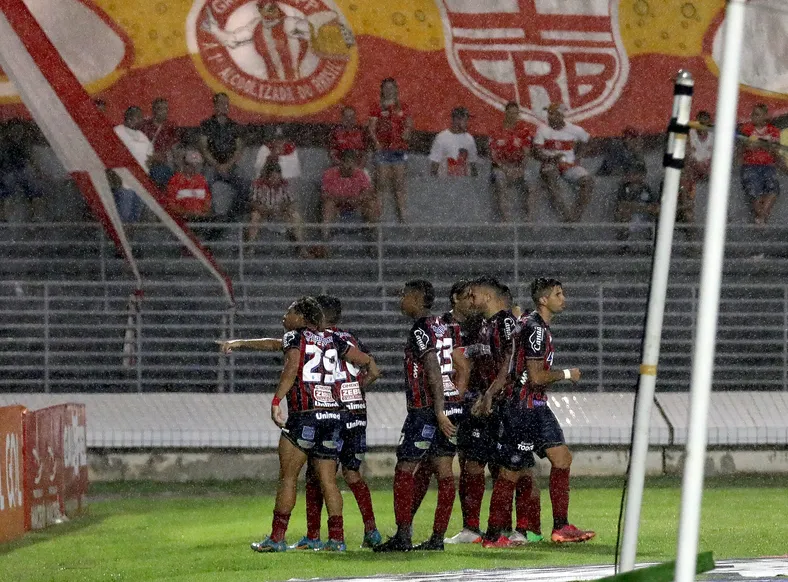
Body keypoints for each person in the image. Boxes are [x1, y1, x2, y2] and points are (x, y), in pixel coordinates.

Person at [250, 296, 379, 553]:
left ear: (302, 317)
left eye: (289, 312)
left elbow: (292, 367)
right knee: (329, 481)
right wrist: (355, 389)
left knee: (288, 477)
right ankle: (337, 540)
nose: (284, 318)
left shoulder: (295, 337)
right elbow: (367, 361)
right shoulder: (335, 339)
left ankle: (277, 538)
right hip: (333, 416)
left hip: (305, 414)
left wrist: (277, 401)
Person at [483, 278, 595, 543]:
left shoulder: (533, 325)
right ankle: (492, 535)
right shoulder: (535, 330)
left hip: (536, 406)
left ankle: (561, 527)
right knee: (511, 471)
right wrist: (568, 373)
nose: (563, 298)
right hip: (522, 407)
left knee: (562, 458)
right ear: (543, 300)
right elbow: (534, 377)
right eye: (558, 293)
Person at [374, 280, 469, 552]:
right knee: (444, 472)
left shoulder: (421, 328)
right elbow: (461, 363)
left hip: (426, 410)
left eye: (404, 295)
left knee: (404, 469)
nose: (400, 300)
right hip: (451, 406)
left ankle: (403, 536)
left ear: (416, 298)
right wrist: (453, 400)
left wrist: (438, 410)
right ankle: (437, 538)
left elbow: (432, 368)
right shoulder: (446, 326)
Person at [293, 295, 383, 550]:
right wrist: (356, 389)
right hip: (356, 412)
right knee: (352, 473)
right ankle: (371, 530)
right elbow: (373, 369)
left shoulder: (318, 339)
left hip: (331, 413)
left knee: (318, 474)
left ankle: (316, 536)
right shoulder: (351, 338)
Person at [533, 103, 593, 222]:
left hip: (568, 165)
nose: (550, 117)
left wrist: (579, 156)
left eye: (554, 114)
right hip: (550, 163)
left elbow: (589, 141)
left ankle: (576, 216)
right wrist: (550, 158)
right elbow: (537, 151)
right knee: (550, 176)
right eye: (549, 114)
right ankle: (565, 215)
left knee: (588, 182)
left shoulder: (574, 129)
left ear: (561, 116)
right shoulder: (542, 129)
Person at [368, 78, 412, 223]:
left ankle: (404, 217)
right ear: (382, 90)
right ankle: (377, 218)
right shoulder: (377, 107)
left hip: (399, 150)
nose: (389, 90)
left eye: (391, 87)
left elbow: (409, 123)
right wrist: (376, 143)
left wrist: (407, 130)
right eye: (386, 88)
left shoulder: (402, 106)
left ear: (396, 89)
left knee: (399, 185)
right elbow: (371, 128)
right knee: (381, 185)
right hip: (383, 150)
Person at [246, 160, 307, 258]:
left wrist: (285, 208)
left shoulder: (284, 184)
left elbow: (292, 202)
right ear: (267, 176)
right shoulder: (257, 184)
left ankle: (302, 248)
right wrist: (266, 210)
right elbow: (253, 203)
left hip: (280, 213)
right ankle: (250, 248)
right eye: (273, 177)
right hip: (263, 213)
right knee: (255, 216)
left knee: (295, 216)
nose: (276, 180)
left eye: (278, 177)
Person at [199, 93, 245, 220]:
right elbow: (204, 148)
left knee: (245, 183)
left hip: (230, 165)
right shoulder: (206, 124)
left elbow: (239, 148)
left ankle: (233, 215)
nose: (224, 106)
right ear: (215, 105)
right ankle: (209, 216)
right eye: (221, 103)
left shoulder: (234, 125)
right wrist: (217, 165)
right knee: (203, 184)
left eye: (226, 103)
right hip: (212, 165)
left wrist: (228, 165)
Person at [488, 102, 533, 222]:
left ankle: (528, 216)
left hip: (518, 166)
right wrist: (505, 168)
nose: (514, 116)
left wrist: (520, 169)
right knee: (500, 180)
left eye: (516, 113)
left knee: (530, 181)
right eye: (511, 113)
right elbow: (492, 154)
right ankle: (505, 218)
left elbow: (526, 153)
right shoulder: (496, 131)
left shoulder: (524, 131)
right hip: (500, 167)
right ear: (506, 113)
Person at [320, 150, 379, 240]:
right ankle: (325, 239)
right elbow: (324, 194)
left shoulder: (360, 173)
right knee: (328, 205)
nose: (349, 168)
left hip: (357, 205)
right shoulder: (329, 174)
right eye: (347, 164)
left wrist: (358, 199)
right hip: (337, 206)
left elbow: (368, 191)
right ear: (341, 163)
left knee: (371, 203)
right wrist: (343, 199)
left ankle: (374, 236)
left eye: (352, 165)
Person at [738, 103, 780, 226]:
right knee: (754, 191)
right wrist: (766, 142)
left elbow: (774, 150)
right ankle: (761, 218)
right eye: (752, 114)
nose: (752, 117)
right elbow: (749, 146)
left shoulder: (774, 130)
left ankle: (761, 217)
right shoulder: (746, 129)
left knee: (774, 189)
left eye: (756, 114)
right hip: (750, 166)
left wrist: (759, 142)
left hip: (768, 166)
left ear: (765, 116)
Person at [681, 111, 714, 227]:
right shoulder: (690, 133)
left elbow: (718, 156)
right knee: (686, 173)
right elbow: (688, 153)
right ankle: (687, 203)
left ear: (710, 123)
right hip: (694, 167)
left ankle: (720, 209)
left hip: (708, 167)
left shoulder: (714, 134)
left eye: (706, 122)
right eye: (700, 122)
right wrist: (696, 164)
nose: (703, 125)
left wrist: (706, 166)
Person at [614, 161, 659, 245]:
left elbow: (653, 206)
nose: (632, 176)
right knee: (623, 213)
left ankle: (650, 245)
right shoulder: (624, 188)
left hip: (644, 217)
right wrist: (643, 208)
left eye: (637, 174)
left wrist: (636, 207)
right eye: (632, 173)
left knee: (656, 215)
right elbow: (622, 205)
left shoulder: (647, 188)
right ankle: (623, 244)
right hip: (630, 217)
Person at [141, 97, 180, 189]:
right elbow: (140, 146)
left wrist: (164, 156)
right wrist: (152, 156)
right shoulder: (145, 126)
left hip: (165, 161)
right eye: (161, 108)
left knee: (161, 172)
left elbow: (175, 147)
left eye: (166, 108)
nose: (164, 111)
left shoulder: (171, 126)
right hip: (147, 160)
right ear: (154, 110)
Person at [429, 107, 479, 178]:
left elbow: (473, 165)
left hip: (463, 185)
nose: (467, 123)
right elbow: (434, 165)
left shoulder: (469, 139)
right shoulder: (442, 137)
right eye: (465, 120)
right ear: (456, 120)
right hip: (444, 184)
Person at [164, 150, 212, 220]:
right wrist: (187, 213)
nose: (192, 167)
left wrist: (201, 213)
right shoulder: (175, 180)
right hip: (181, 220)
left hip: (200, 219)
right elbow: (171, 203)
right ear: (183, 164)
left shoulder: (202, 180)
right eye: (189, 164)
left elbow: (207, 202)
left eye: (196, 165)